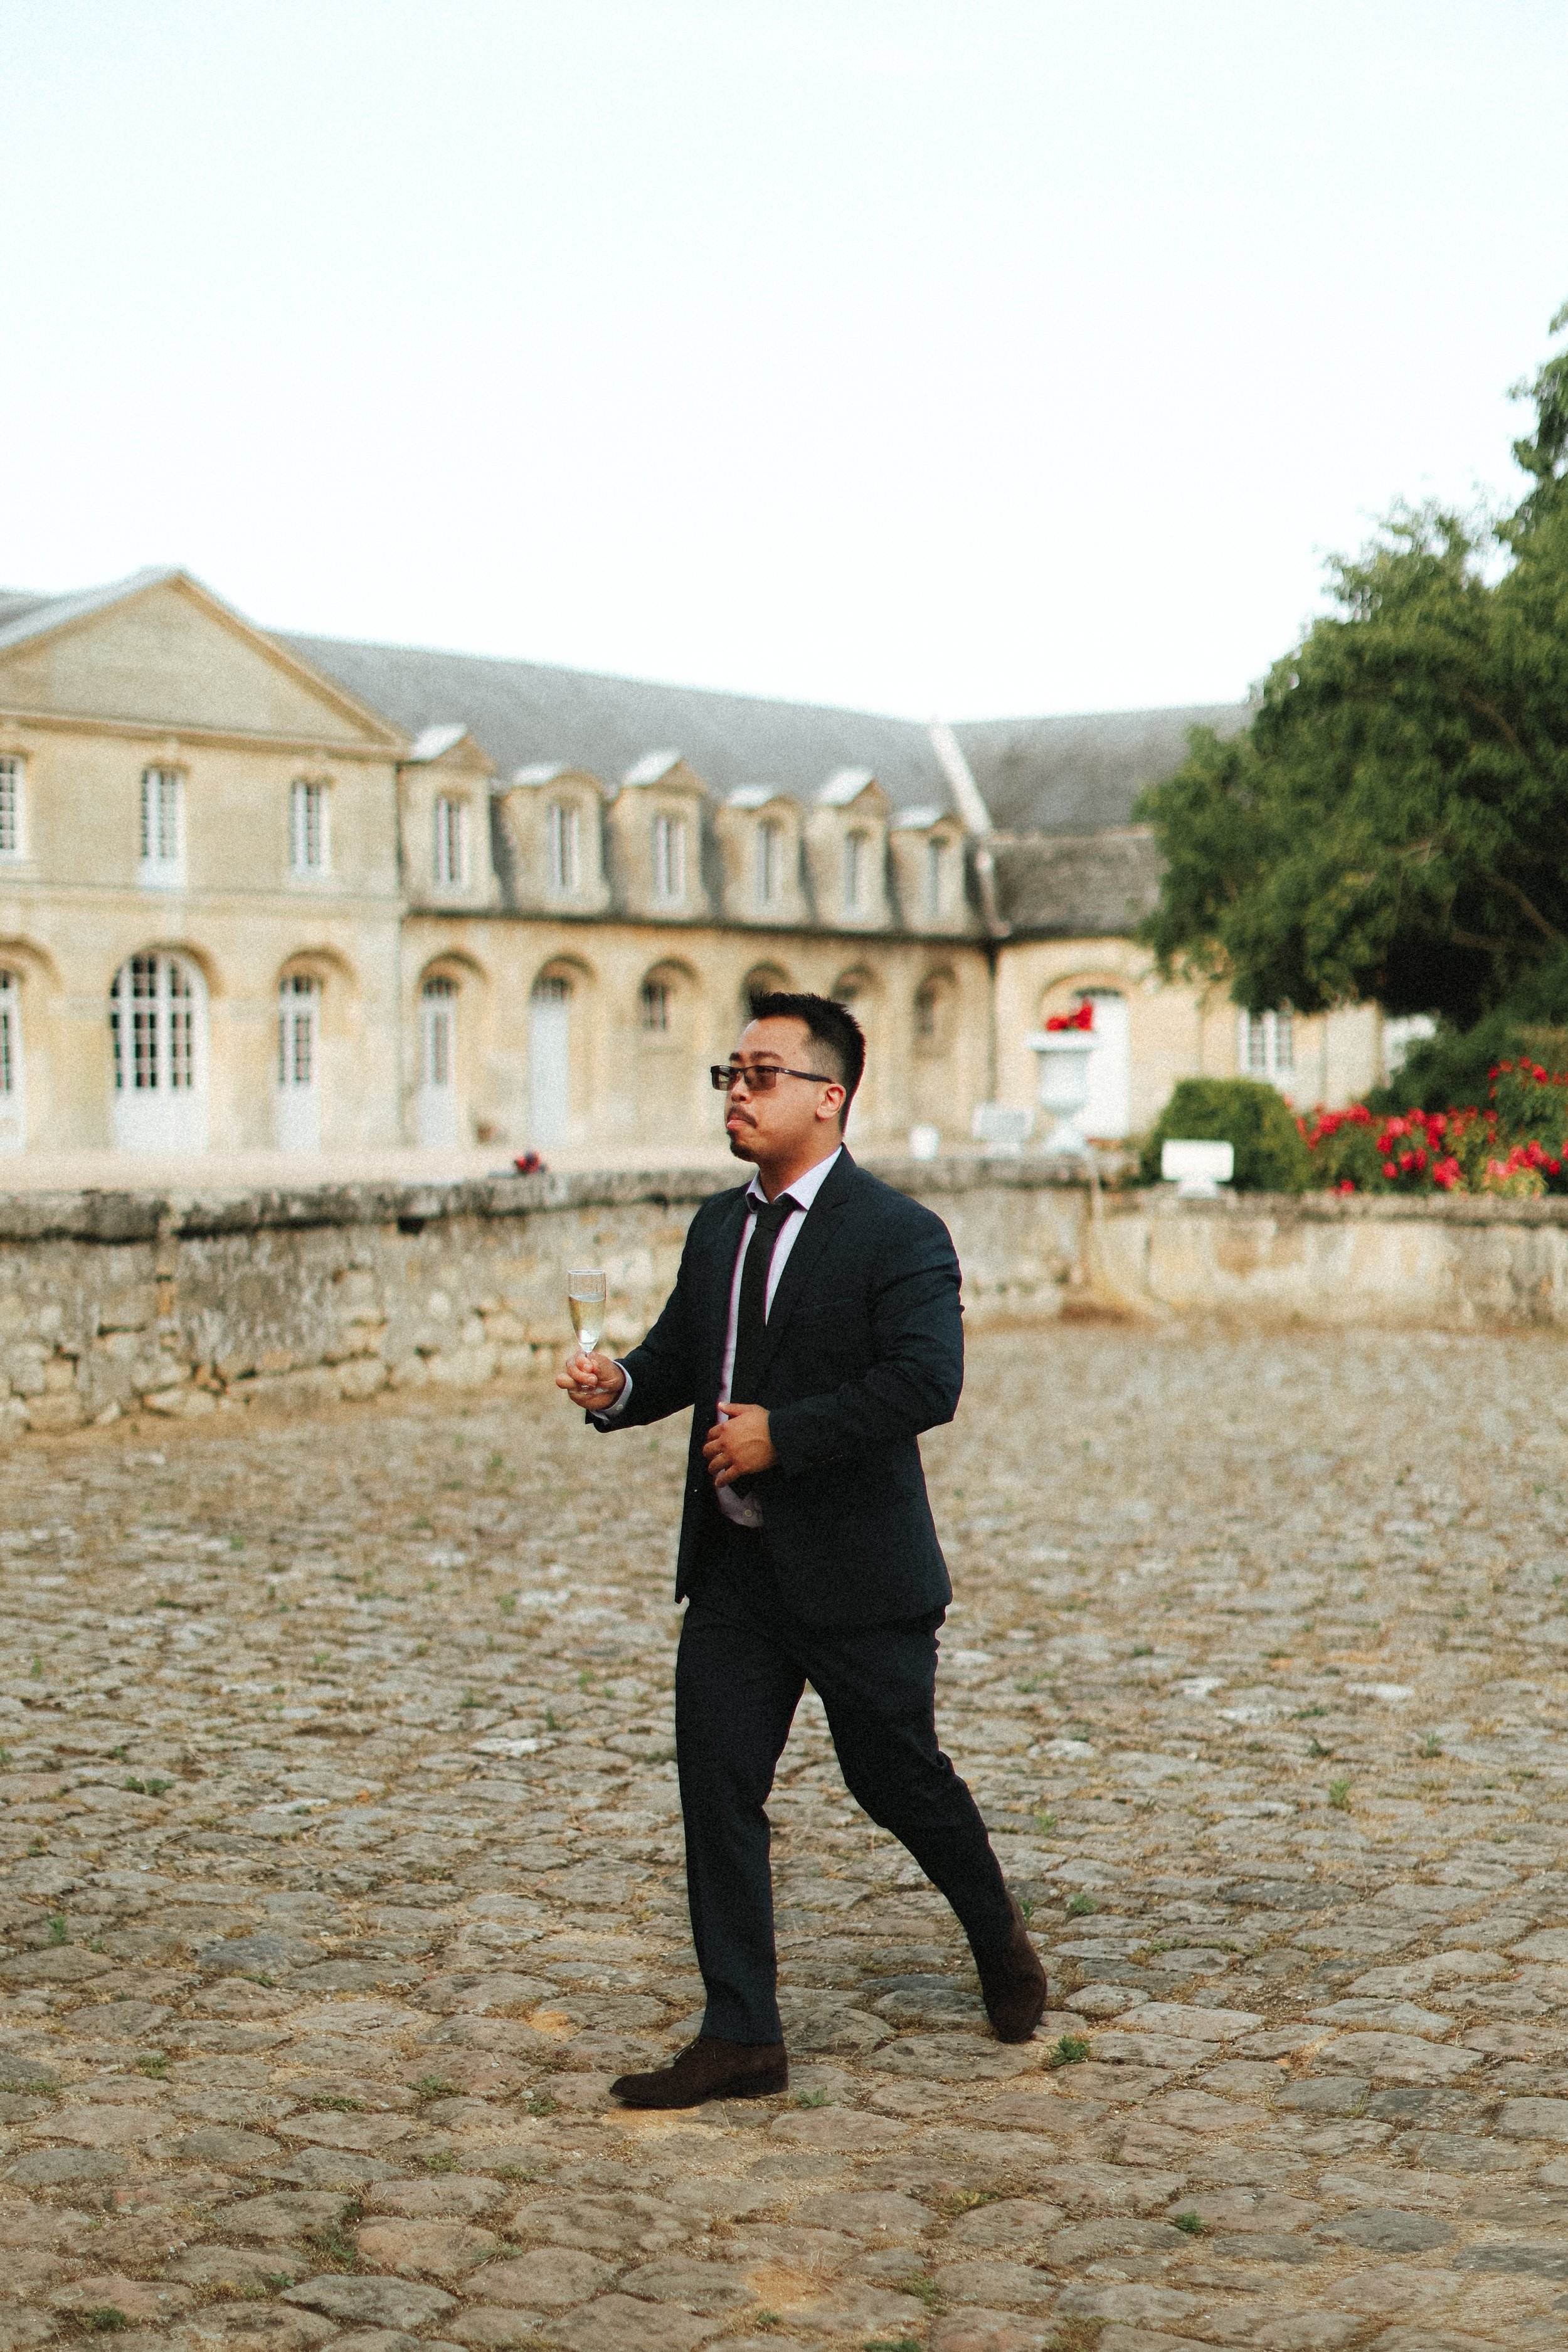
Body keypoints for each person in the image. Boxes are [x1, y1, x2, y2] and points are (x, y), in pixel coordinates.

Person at [557, 990, 1046, 2107]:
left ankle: (996, 1929)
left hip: (860, 1578)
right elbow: (684, 1356)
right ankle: (743, 2032)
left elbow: (930, 1381)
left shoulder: (899, 1232)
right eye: (729, 1073)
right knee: (717, 1783)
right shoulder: (718, 1227)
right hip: (736, 1575)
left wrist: (786, 1434)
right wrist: (619, 1385)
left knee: (897, 1778)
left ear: (830, 1097)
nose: (738, 1091)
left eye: (762, 1073)